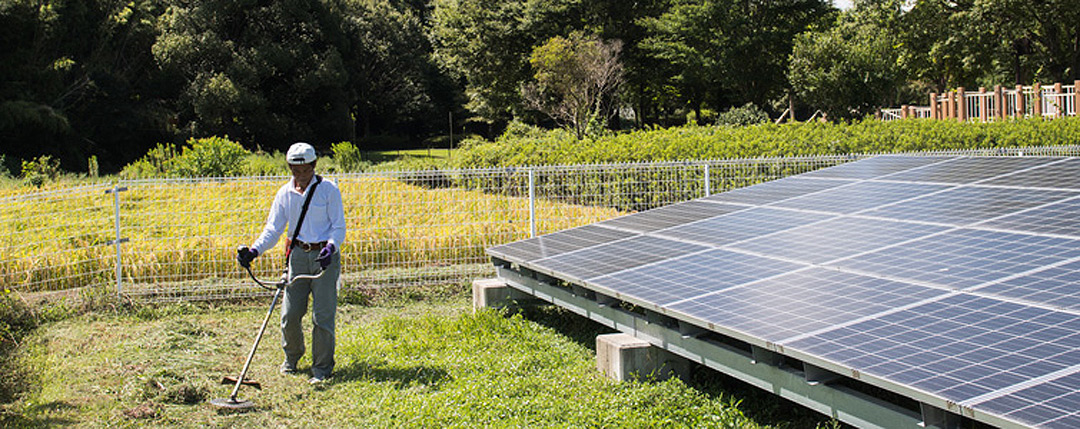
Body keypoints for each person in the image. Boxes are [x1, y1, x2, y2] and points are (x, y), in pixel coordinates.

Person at [236, 142, 346, 384]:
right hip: (297, 256)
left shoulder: (328, 190)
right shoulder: (284, 193)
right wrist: (254, 251)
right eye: (296, 171)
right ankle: (292, 358)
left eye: (305, 170)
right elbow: (273, 229)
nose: (301, 176)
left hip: (323, 257)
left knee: (322, 315)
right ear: (289, 168)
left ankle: (322, 367)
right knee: (290, 313)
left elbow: (338, 227)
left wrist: (330, 247)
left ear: (314, 166)